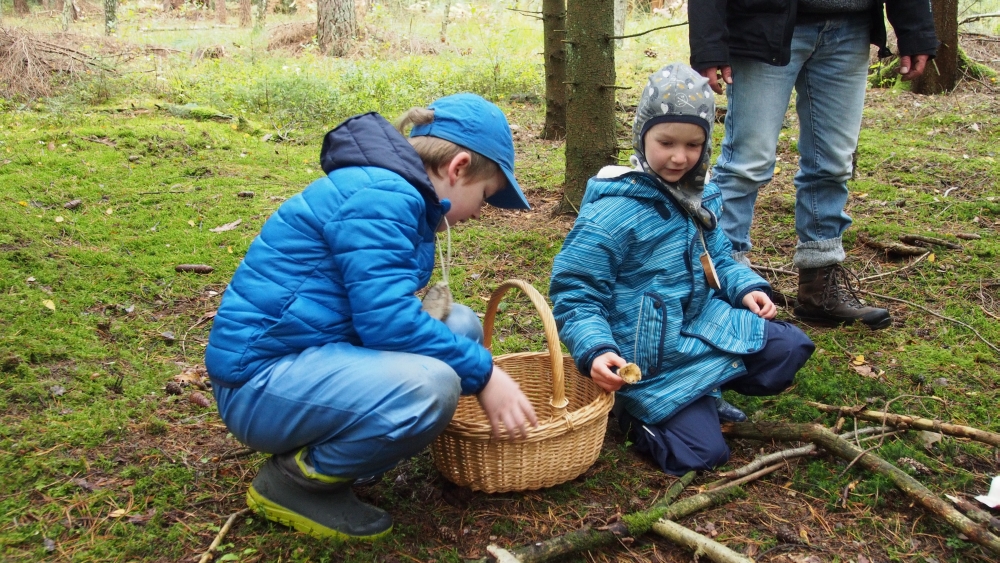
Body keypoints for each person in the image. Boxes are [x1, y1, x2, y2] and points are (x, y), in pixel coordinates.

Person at [204, 93, 538, 542]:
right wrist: (486, 375)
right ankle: (295, 483)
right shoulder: (383, 196)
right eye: (484, 196)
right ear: (457, 168)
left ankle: (351, 449)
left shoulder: (396, 192)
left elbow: (379, 311)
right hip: (259, 385)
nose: (479, 212)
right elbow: (389, 324)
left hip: (311, 356)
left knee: (459, 324)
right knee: (433, 385)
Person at [549, 64, 815, 476]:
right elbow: (575, 292)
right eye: (665, 142)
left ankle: (702, 390)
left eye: (693, 144)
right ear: (642, 137)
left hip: (700, 324)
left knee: (789, 348)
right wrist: (597, 349)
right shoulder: (612, 213)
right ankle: (636, 414)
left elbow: (720, 255)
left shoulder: (699, 193)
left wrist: (745, 288)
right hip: (645, 353)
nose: (679, 156)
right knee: (701, 455)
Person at [688, 0, 938, 329]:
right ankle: (725, 286)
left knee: (833, 163)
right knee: (747, 163)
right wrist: (709, 42)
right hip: (762, 22)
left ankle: (819, 288)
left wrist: (915, 29)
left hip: (851, 27)